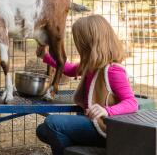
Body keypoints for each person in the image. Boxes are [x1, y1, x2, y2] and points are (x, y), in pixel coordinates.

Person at [35, 14, 138, 155]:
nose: (78, 46)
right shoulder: (91, 64)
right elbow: (71, 70)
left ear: (89, 43)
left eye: (79, 41)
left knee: (52, 122)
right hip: (92, 123)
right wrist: (46, 57)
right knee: (42, 131)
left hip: (104, 128)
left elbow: (132, 102)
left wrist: (107, 111)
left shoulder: (113, 70)